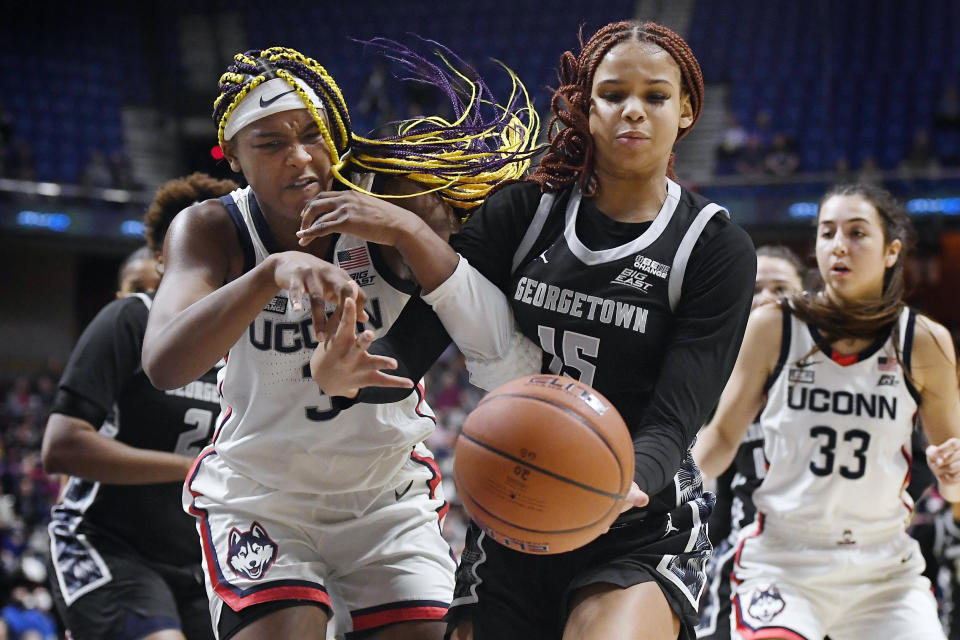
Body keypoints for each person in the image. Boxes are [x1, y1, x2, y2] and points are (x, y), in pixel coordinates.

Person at [299, 20, 757, 640]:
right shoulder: (525, 211)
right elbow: (416, 344)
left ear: (686, 112)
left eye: (656, 97)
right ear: (584, 106)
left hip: (639, 514)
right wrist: (348, 377)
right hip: (516, 497)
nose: (634, 112)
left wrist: (616, 485)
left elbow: (676, 418)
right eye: (613, 93)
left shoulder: (713, 247)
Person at [140, 44, 537, 640]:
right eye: (270, 144)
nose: (299, 157)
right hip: (263, 495)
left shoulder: (393, 202)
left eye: (311, 134)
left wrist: (407, 230)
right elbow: (164, 363)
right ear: (236, 160)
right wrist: (270, 273)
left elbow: (498, 349)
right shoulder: (210, 228)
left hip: (386, 494)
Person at [692, 183, 960, 639]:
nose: (839, 245)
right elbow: (719, 439)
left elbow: (953, 468)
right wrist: (661, 481)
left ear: (892, 251)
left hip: (883, 568)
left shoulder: (925, 341)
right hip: (782, 558)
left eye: (857, 233)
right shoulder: (774, 326)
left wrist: (951, 475)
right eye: (827, 232)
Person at [42, 173, 239, 640]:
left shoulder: (249, 341)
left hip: (196, 563)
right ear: (167, 256)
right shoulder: (132, 318)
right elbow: (61, 448)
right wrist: (190, 468)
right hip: (107, 545)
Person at [696, 245, 805, 640]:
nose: (767, 298)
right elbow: (707, 472)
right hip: (752, 547)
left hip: (839, 545)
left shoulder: (835, 369)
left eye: (781, 288)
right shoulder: (713, 372)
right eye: (756, 287)